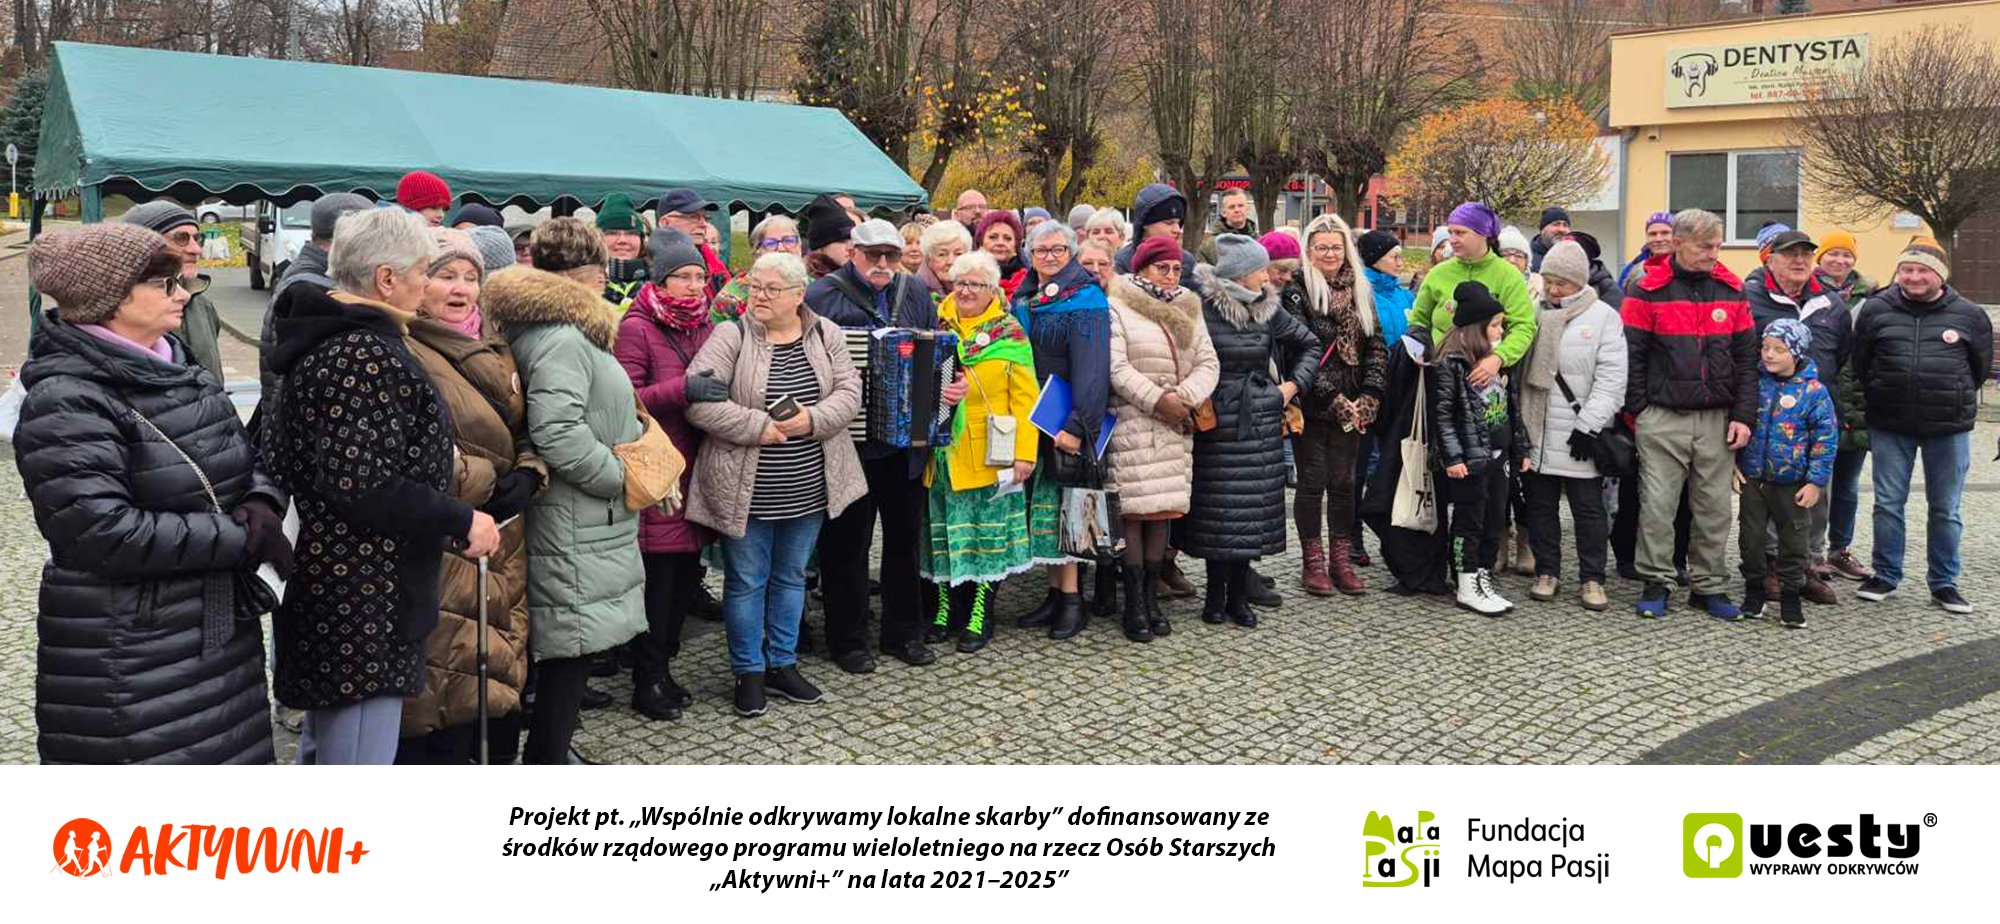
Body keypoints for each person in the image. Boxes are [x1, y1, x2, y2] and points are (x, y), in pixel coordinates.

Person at [16, 224, 291, 764]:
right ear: (110, 300)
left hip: (215, 633)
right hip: (133, 650)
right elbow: (101, 533)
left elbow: (242, 455)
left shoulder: (177, 363)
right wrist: (240, 536)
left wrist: (261, 502)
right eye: (165, 285)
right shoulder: (67, 397)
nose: (183, 293)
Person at [263, 206, 497, 764]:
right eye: (423, 270)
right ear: (386, 279)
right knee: (357, 762)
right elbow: (359, 482)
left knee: (330, 752)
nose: (427, 282)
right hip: (361, 599)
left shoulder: (346, 339)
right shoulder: (361, 353)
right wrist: (460, 518)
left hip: (353, 590)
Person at [487, 221, 648, 764]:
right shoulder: (562, 335)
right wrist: (618, 477)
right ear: (593, 273)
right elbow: (558, 431)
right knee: (570, 641)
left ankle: (552, 750)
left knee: (565, 638)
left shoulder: (555, 327)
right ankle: (548, 758)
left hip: (575, 509)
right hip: (575, 510)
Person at [685, 251, 865, 716]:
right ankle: (748, 671)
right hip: (746, 487)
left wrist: (812, 420)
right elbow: (697, 399)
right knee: (746, 581)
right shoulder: (732, 334)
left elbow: (850, 393)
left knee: (791, 579)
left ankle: (782, 664)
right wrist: (756, 427)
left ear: (798, 295)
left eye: (771, 289)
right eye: (755, 287)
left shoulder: (826, 333)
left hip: (809, 484)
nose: (759, 296)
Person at [394, 229, 545, 764]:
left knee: (499, 655)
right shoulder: (401, 346)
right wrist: (484, 483)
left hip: (505, 534)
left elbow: (527, 427)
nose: (460, 289)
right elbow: (408, 454)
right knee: (446, 665)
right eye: (444, 275)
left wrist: (530, 470)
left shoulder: (497, 342)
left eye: (471, 276)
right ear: (414, 280)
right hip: (448, 531)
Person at [806, 218, 958, 671]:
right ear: (853, 252)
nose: (883, 263)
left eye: (891, 255)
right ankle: (847, 640)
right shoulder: (821, 296)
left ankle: (902, 633)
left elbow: (940, 353)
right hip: (847, 444)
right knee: (846, 546)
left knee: (904, 542)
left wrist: (951, 388)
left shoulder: (914, 293)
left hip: (905, 445)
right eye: (874, 255)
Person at [1621, 208, 1757, 621]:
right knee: (1658, 506)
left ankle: (1708, 586)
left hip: (1718, 419)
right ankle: (1657, 582)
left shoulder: (1732, 290)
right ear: (1678, 244)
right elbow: (1632, 356)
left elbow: (1747, 360)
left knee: (1714, 509)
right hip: (1662, 417)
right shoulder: (1646, 289)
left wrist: (1743, 416)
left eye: (1717, 245)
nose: (1714, 254)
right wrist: (1640, 412)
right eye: (1704, 246)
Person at [1851, 238, 1992, 614]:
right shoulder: (1876, 309)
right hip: (1890, 423)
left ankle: (1944, 582)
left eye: (1922, 271)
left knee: (1945, 508)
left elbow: (1978, 369)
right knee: (1887, 504)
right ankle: (1885, 574)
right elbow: (1862, 363)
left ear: (1940, 275)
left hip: (1948, 427)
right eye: (1907, 270)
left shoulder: (1969, 314)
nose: (1913, 277)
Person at [1184, 235, 1318, 627]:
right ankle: (1214, 596)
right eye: (1262, 268)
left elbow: (1310, 344)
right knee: (1218, 513)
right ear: (1242, 273)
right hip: (1216, 420)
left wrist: (1291, 387)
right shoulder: (1202, 308)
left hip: (1258, 418)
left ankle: (1240, 597)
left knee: (1250, 514)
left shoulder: (1267, 307)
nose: (1269, 275)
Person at [615, 231, 721, 721]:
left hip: (699, 465)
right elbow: (627, 401)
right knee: (657, 583)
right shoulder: (636, 328)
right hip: (659, 471)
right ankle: (647, 679)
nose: (695, 285)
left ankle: (665, 670)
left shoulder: (705, 323)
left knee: (683, 582)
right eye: (684, 276)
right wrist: (686, 389)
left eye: (700, 276)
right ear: (661, 280)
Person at [923, 250, 1042, 651]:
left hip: (992, 452)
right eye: (960, 283)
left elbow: (1026, 401)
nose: (967, 291)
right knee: (942, 536)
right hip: (941, 453)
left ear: (992, 289)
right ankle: (945, 608)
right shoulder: (936, 324)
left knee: (985, 539)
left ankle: (979, 613)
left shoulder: (1009, 334)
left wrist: (1025, 454)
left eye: (976, 284)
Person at [1106, 237, 1218, 640]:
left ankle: (1153, 597)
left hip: (1176, 422)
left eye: (1175, 268)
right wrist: (1158, 400)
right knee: (1134, 513)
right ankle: (1134, 603)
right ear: (1142, 269)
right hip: (1135, 419)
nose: (1170, 276)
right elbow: (1116, 367)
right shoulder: (1118, 305)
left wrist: (1183, 399)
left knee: (1162, 513)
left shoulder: (1189, 304)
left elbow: (1207, 360)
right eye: (1161, 268)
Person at [1011, 219, 1114, 639]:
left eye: (1058, 250)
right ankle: (1054, 595)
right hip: (1034, 419)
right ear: (1029, 254)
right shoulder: (1027, 295)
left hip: (1066, 421)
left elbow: (1093, 370)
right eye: (1041, 251)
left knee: (1069, 508)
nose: (1050, 257)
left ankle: (1073, 600)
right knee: (1045, 511)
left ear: (1071, 253)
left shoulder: (1086, 297)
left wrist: (1078, 425)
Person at [1279, 213, 1387, 597]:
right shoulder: (1297, 290)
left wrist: (1371, 394)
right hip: (1313, 401)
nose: (1329, 253)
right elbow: (1299, 348)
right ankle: (1313, 562)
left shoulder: (1361, 287)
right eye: (1322, 247)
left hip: (1356, 399)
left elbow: (1375, 344)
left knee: (1344, 483)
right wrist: (1334, 398)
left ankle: (1341, 561)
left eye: (1336, 247)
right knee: (1312, 482)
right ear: (1309, 250)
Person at [1516, 240, 1625, 612]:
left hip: (1581, 434)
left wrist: (1589, 426)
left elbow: (1612, 379)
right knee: (1540, 508)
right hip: (1539, 431)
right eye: (1549, 281)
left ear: (1579, 281)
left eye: (1561, 282)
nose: (1553, 289)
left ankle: (1592, 578)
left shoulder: (1603, 317)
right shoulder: (1534, 312)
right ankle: (1547, 571)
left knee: (1588, 511)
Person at [1743, 228, 1850, 605]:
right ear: (1770, 259)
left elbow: (1844, 358)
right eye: (1790, 254)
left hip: (1816, 415)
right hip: (1768, 418)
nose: (1800, 260)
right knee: (1772, 497)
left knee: (1813, 497)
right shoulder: (1751, 298)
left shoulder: (1832, 305)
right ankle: (1773, 567)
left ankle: (1804, 567)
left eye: (1806, 253)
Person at [1431, 282, 1531, 616]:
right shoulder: (1451, 362)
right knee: (1469, 521)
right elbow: (1442, 416)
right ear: (1476, 327)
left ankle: (1483, 575)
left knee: (1493, 518)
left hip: (1499, 456)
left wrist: (1521, 448)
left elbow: (1511, 408)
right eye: (1495, 325)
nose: (1501, 331)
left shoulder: (1495, 361)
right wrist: (1454, 457)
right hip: (1470, 459)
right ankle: (1466, 580)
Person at [1737, 318, 1836, 629]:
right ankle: (1754, 593)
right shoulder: (1754, 384)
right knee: (1750, 539)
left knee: (1794, 541)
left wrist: (1815, 481)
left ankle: (1791, 597)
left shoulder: (1814, 391)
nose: (1769, 355)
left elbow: (1825, 439)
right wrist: (1733, 464)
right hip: (1753, 477)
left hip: (1792, 482)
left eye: (1778, 350)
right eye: (1765, 347)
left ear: (1796, 352)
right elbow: (1737, 423)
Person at [1814, 230, 1877, 582]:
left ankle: (1840, 549)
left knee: (1848, 485)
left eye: (1846, 255)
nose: (1839, 261)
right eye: (1832, 254)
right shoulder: (1809, 293)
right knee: (1816, 483)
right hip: (1823, 401)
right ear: (1820, 258)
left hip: (1858, 404)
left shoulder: (1871, 298)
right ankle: (1815, 552)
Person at [119, 202, 222, 379]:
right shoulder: (121, 310)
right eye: (181, 239)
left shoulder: (203, 306)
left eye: (197, 239)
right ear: (144, 246)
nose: (196, 249)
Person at [715, 214, 804, 322]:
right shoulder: (732, 299)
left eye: (789, 241)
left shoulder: (816, 288)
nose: (781, 248)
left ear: (800, 245)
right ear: (757, 252)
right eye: (771, 243)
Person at [1115, 184, 1201, 293]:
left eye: (1179, 223)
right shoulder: (1121, 263)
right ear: (1145, 223)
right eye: (1168, 223)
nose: (1177, 230)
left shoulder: (1188, 261)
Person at [654, 188, 731, 294]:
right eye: (693, 217)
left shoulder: (715, 265)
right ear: (665, 223)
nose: (703, 224)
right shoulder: (646, 267)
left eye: (705, 218)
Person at [1356, 229, 1413, 344]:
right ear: (1375, 261)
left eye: (1400, 257)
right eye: (1394, 257)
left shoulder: (1405, 296)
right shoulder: (1360, 297)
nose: (1400, 263)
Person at [597, 192, 650, 307]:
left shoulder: (661, 283)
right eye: (612, 233)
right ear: (597, 239)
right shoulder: (582, 283)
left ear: (641, 240)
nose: (622, 240)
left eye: (631, 233)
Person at [974, 210, 1029, 300]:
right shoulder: (966, 278)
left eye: (1007, 238)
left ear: (1015, 247)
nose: (1000, 243)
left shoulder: (1030, 282)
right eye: (993, 237)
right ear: (980, 243)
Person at [801, 193, 855, 280]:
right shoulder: (803, 283)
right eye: (841, 241)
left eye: (852, 239)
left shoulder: (857, 275)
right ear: (821, 246)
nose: (850, 247)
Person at [917, 219, 973, 301]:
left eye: (958, 254)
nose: (951, 262)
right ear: (929, 259)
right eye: (942, 254)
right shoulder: (917, 291)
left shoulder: (979, 287)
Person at [1198, 189, 1258, 263]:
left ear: (1247, 209)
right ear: (1223, 212)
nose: (1237, 210)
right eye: (1231, 207)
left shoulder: (1259, 242)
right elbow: (1203, 273)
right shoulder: (1209, 246)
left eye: (1240, 206)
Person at [1619, 212, 1674, 288]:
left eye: (1665, 233)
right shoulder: (1633, 269)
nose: (1658, 239)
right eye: (1653, 234)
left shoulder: (1688, 266)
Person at [1499, 225, 1545, 305]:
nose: (1512, 261)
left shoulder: (1539, 286)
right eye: (1505, 254)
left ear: (1527, 262)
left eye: (1519, 256)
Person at [1530, 206, 1570, 272]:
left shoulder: (1575, 258)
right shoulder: (1528, 260)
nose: (1561, 229)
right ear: (1542, 230)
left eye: (1565, 225)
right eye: (1556, 224)